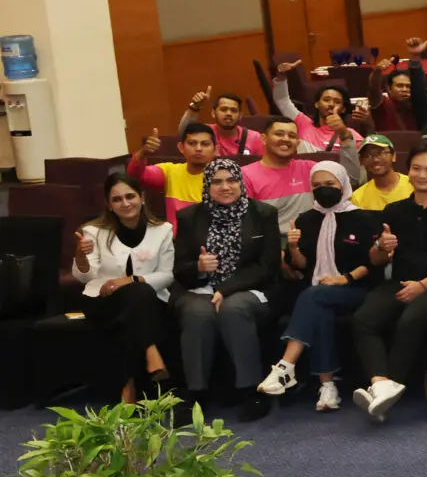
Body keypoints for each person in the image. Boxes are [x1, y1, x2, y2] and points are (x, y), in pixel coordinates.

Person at [345, 145, 427, 423]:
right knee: (364, 319)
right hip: (400, 282)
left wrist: (424, 285)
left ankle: (387, 390)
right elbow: (377, 259)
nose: (422, 175)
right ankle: (381, 384)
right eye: (416, 168)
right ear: (408, 171)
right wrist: (380, 246)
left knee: (411, 318)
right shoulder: (394, 211)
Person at [255, 160, 377, 413]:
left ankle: (286, 366)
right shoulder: (306, 219)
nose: (324, 189)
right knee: (318, 303)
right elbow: (301, 265)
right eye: (317, 185)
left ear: (343, 184)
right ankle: (328, 386)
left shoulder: (362, 218)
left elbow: (372, 263)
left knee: (315, 296)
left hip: (355, 289)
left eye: (330, 184)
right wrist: (293, 248)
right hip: (317, 290)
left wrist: (346, 279)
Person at [170, 159, 283, 414]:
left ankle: (251, 390)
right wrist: (198, 267)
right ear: (207, 186)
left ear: (241, 183)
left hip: (251, 288)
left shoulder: (263, 214)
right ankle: (195, 394)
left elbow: (267, 267)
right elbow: (179, 269)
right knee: (197, 313)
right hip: (200, 289)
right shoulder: (189, 217)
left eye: (231, 180)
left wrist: (226, 289)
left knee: (234, 308)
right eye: (217, 182)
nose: (225, 187)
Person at [76, 174, 175, 401]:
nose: (125, 203)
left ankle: (128, 386)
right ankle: (151, 353)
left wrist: (131, 280)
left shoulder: (162, 230)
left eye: (130, 196)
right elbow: (86, 276)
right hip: (103, 299)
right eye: (117, 199)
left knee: (137, 298)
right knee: (137, 305)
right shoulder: (93, 232)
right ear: (109, 205)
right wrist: (79, 256)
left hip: (148, 299)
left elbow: (167, 275)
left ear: (142, 197)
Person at [129, 123, 214, 223]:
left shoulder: (228, 176)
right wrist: (142, 153)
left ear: (216, 150)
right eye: (192, 143)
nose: (198, 148)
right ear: (181, 147)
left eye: (205, 144)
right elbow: (134, 176)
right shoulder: (169, 172)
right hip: (176, 237)